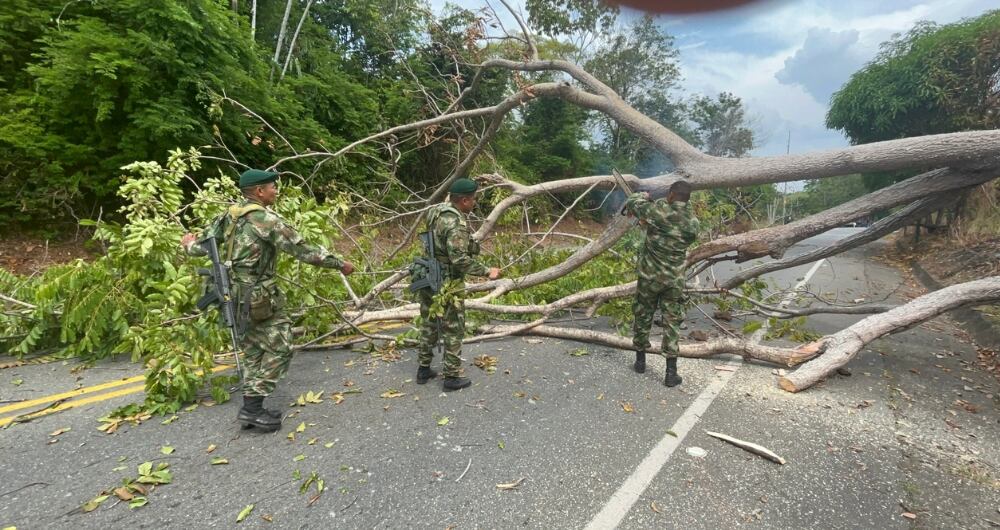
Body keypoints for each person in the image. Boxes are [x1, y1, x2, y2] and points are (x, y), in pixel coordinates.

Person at [180, 169, 354, 432]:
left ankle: (252, 407)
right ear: (259, 191)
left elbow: (199, 247)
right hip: (259, 296)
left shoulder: (228, 216)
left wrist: (187, 243)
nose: (276, 190)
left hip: (232, 295)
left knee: (253, 351)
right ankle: (252, 407)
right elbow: (304, 250)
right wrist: (340, 264)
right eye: (272, 187)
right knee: (281, 347)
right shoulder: (266, 219)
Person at [414, 178, 500, 391]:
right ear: (463, 200)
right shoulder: (455, 223)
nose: (474, 203)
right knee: (453, 327)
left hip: (425, 273)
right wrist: (487, 271)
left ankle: (423, 368)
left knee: (429, 321)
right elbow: (459, 259)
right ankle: (451, 377)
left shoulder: (435, 211)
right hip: (446, 281)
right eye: (472, 200)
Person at [623, 180, 699, 387]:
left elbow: (633, 201)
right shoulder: (693, 223)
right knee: (672, 323)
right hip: (674, 280)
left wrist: (645, 196)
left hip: (649, 278)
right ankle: (671, 373)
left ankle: (640, 362)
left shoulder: (658, 213)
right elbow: (675, 223)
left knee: (643, 314)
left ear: (672, 194)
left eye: (669, 194)